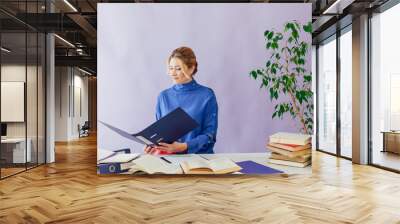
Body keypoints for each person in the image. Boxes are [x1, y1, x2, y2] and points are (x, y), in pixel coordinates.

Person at [144, 47, 218, 154]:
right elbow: (160, 135)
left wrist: (184, 146)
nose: (172, 73)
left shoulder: (206, 95)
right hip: (169, 160)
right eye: (170, 68)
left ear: (191, 68)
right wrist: (152, 145)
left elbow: (209, 135)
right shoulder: (163, 96)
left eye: (178, 69)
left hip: (199, 159)